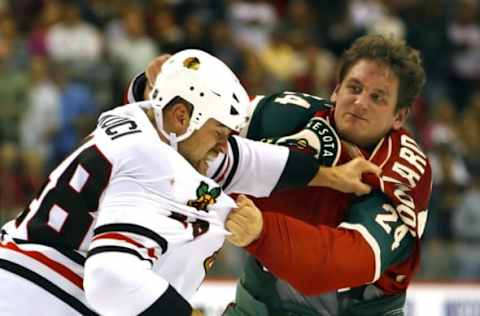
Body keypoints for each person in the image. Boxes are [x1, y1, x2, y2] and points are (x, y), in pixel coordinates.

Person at [0, 49, 377, 316]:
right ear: (182, 115)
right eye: (218, 131)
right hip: (43, 298)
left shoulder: (143, 116)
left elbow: (246, 160)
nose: (223, 143)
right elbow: (111, 279)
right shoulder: (154, 167)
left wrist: (332, 177)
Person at [129, 34, 432, 316]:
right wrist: (163, 91)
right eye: (354, 88)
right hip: (264, 296)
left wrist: (263, 232)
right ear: (336, 90)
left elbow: (348, 262)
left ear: (399, 116)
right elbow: (192, 131)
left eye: (378, 97)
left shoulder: (402, 170)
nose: (361, 102)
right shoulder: (286, 114)